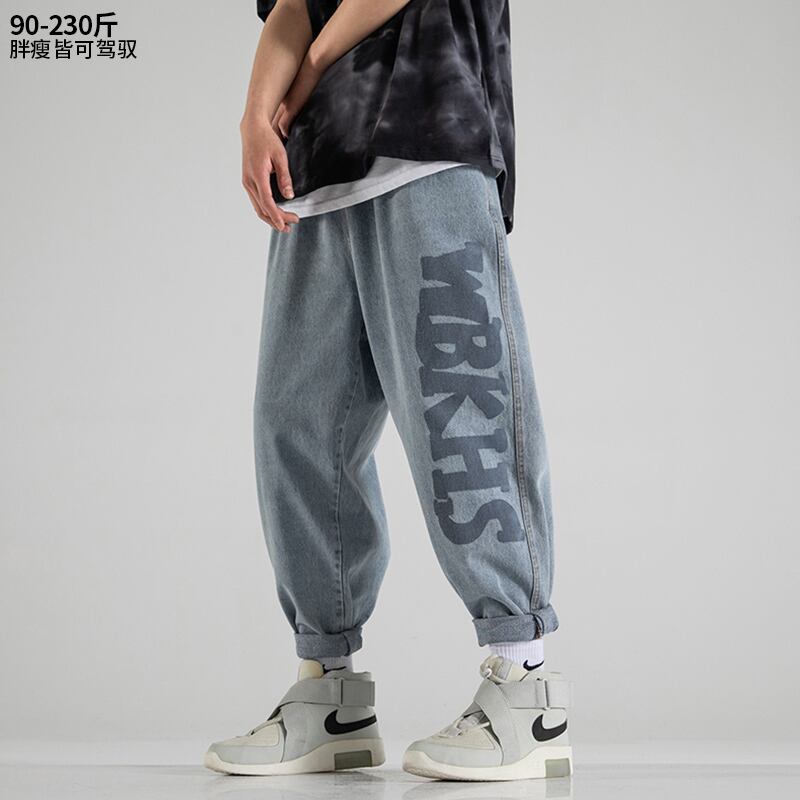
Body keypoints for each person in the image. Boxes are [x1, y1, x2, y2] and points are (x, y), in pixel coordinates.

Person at [205, 0, 571, 781]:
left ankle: (526, 683)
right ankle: (330, 691)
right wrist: (254, 118)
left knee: (461, 408)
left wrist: (304, 75)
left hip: (430, 138)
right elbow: (292, 8)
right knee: (296, 426)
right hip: (320, 171)